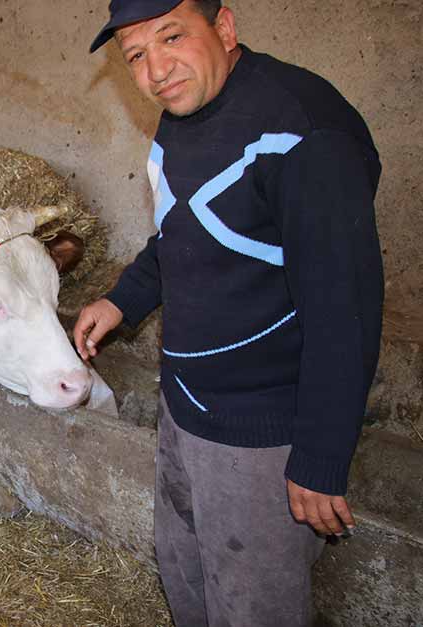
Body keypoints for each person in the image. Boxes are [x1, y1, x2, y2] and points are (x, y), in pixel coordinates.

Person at [77, 1, 383, 625]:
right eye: (136, 55)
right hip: (185, 404)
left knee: (252, 607)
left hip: (260, 433)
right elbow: (181, 229)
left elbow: (343, 308)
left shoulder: (302, 134)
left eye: (171, 37)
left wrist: (321, 457)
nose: (157, 69)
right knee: (186, 575)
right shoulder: (179, 117)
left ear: (224, 27)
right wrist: (123, 297)